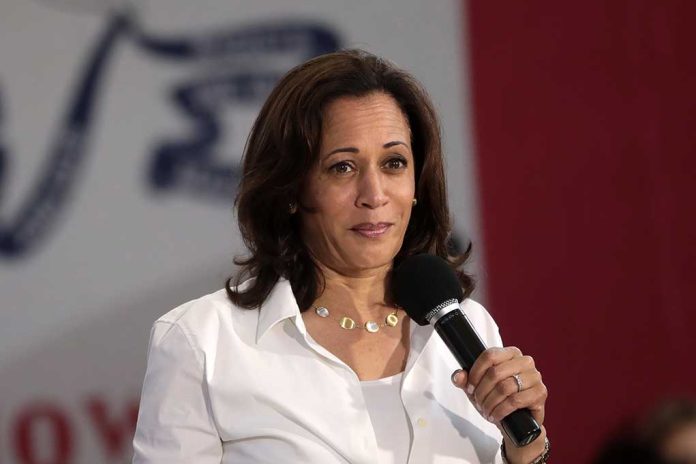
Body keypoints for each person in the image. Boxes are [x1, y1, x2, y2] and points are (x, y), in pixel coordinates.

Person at [132, 49, 549, 464]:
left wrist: (525, 450)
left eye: (393, 163)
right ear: (293, 189)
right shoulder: (202, 342)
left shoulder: (469, 328)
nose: (374, 195)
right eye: (343, 168)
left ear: (417, 183)